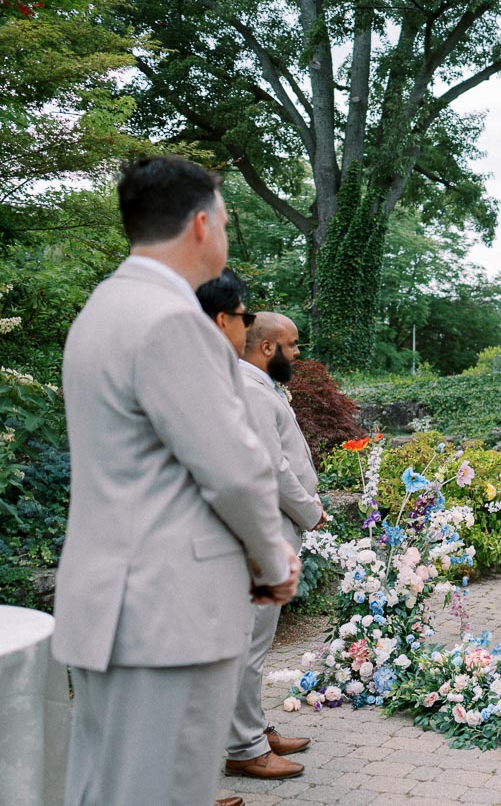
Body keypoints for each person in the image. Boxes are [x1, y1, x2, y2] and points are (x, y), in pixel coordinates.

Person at [53, 156, 298, 806]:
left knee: (108, 790)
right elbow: (236, 469)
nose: (224, 230)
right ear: (199, 225)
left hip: (115, 602)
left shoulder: (103, 311)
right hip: (169, 612)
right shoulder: (173, 323)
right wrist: (274, 561)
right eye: (223, 217)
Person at [194, 291, 324, 783]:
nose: (297, 354)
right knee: (249, 642)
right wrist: (310, 511)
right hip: (264, 528)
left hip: (274, 524)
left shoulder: (257, 384)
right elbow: (271, 467)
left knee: (256, 643)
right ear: (267, 347)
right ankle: (242, 746)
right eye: (292, 346)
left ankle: (251, 728)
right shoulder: (249, 387)